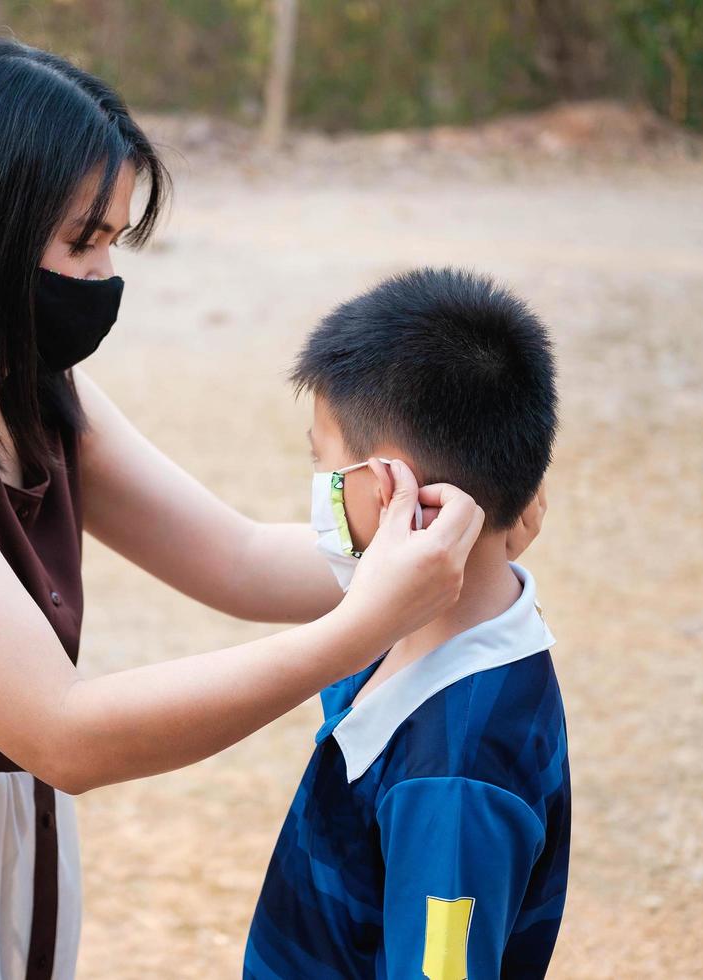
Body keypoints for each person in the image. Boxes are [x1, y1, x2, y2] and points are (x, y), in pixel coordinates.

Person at [0, 41, 541, 980]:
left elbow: (236, 558)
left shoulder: (31, 387)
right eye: (82, 242)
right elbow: (64, 732)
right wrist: (368, 622)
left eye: (114, 240)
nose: (103, 275)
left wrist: (446, 532)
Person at [243, 268, 568, 980]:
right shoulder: (419, 624)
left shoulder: (453, 775)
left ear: (395, 490)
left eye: (324, 462)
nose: (319, 486)